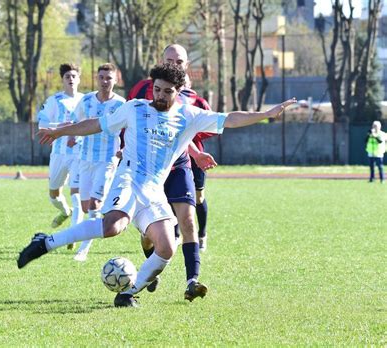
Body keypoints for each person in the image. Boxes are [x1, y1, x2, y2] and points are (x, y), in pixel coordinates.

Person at [17, 63, 296, 308]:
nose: (160, 96)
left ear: (179, 91)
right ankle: (46, 242)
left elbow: (231, 118)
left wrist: (267, 113)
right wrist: (60, 131)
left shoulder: (189, 115)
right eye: (157, 90)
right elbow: (96, 125)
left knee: (166, 247)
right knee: (113, 226)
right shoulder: (134, 108)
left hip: (153, 191)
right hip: (127, 178)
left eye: (167, 92)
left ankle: (128, 293)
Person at [127, 44, 216, 301]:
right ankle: (151, 269)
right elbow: (132, 122)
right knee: (149, 238)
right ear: (161, 60)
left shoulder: (189, 97)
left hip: (178, 167)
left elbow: (183, 131)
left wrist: (196, 153)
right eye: (170, 59)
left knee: (188, 222)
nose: (175, 64)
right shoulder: (146, 89)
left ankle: (192, 281)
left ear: (186, 65)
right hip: (150, 170)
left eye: (179, 61)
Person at [72, 63, 126, 261]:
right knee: (86, 207)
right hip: (85, 159)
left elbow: (130, 129)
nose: (105, 81)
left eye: (109, 78)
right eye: (102, 77)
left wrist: (124, 149)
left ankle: (83, 249)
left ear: (115, 80)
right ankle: (115, 214)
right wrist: (72, 136)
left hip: (107, 160)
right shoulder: (86, 101)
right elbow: (76, 123)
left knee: (94, 203)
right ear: (97, 78)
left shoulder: (121, 104)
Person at [37, 63, 84, 229]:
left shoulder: (86, 100)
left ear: (79, 79)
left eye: (73, 76)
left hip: (79, 155)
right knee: (54, 195)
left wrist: (76, 134)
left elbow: (92, 125)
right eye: (67, 76)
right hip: (59, 154)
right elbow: (42, 126)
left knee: (77, 194)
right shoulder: (54, 101)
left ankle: (74, 233)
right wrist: (63, 127)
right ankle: (65, 211)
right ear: (62, 80)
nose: (71, 79)